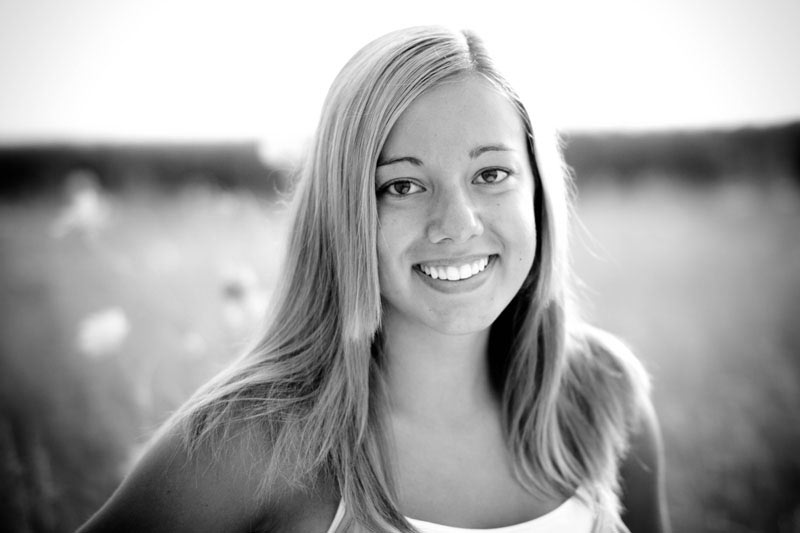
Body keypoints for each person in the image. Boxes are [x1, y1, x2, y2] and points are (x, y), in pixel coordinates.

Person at [77, 26, 669, 533]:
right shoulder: (247, 443)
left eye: (491, 173)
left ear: (538, 191)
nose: (456, 226)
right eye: (402, 186)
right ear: (344, 210)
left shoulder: (603, 396)